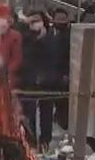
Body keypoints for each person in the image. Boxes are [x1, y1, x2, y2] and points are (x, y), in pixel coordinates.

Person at [19, 11, 65, 152]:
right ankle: (31, 140)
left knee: (46, 113)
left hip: (48, 80)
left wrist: (50, 76)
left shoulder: (52, 38)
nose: (34, 24)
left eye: (37, 20)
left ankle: (45, 140)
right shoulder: (26, 39)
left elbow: (56, 58)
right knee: (29, 112)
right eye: (31, 21)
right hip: (30, 80)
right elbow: (25, 58)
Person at [51, 7, 73, 131]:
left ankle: (64, 123)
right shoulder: (51, 34)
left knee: (64, 100)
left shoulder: (69, 36)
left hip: (64, 73)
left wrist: (66, 73)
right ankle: (59, 117)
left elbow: (70, 56)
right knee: (57, 99)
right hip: (53, 72)